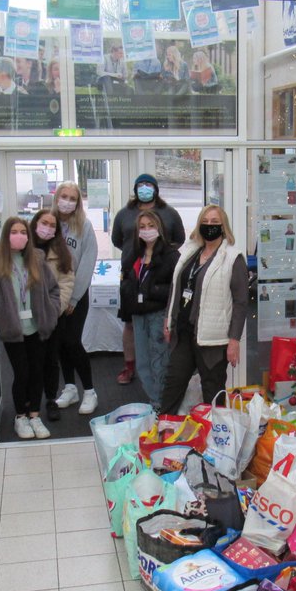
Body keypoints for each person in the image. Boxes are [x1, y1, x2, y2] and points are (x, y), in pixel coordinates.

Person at [159, 205, 248, 414]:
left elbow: (241, 302)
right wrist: (168, 319)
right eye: (205, 222)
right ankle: (164, 433)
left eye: (215, 222)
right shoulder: (190, 252)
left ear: (223, 226)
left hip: (213, 341)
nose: (210, 226)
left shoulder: (233, 258)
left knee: (213, 393)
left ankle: (215, 440)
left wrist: (234, 340)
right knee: (173, 385)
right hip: (184, 333)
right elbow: (176, 288)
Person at [110, 173, 186, 385]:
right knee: (130, 324)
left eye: (148, 185)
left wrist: (160, 256)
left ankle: (160, 369)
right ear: (135, 189)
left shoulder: (169, 213)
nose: (144, 188)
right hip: (131, 275)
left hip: (159, 275)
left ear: (155, 188)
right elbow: (117, 240)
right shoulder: (124, 214)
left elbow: (179, 239)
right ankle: (130, 366)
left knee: (158, 323)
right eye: (140, 185)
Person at [0, 217, 61, 439]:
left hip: (37, 327)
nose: (19, 236)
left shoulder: (37, 259)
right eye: (14, 231)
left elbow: (53, 289)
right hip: (13, 329)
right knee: (22, 373)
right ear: (6, 235)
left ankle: (34, 415)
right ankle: (20, 416)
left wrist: (51, 312)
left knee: (37, 372)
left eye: (23, 232)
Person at [121, 210, 179, 409]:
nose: (147, 231)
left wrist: (151, 290)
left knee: (160, 361)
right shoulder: (134, 254)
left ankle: (162, 404)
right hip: (139, 315)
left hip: (159, 314)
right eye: (143, 227)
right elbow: (128, 281)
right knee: (143, 362)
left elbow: (175, 288)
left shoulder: (171, 255)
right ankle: (154, 401)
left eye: (151, 226)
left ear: (159, 228)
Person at [52, 182, 99, 415]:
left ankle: (90, 390)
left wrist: (74, 298)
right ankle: (70, 388)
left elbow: (88, 263)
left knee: (72, 341)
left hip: (75, 298)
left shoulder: (84, 227)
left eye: (73, 198)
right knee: (59, 342)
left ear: (78, 202)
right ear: (56, 197)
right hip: (52, 297)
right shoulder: (47, 222)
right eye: (64, 196)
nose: (67, 201)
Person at [31, 209, 74, 422]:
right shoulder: (24, 248)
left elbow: (66, 281)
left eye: (52, 225)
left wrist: (57, 308)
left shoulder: (60, 250)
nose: (47, 228)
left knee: (51, 360)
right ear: (35, 223)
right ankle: (30, 403)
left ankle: (50, 399)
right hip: (28, 316)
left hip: (54, 315)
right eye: (44, 223)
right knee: (31, 360)